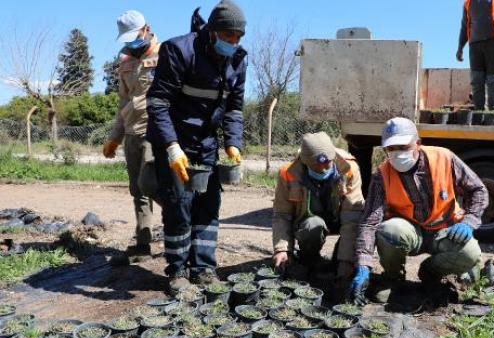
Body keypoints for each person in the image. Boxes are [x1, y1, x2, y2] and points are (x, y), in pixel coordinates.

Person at [146, 0, 247, 293]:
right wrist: (171, 146)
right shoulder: (179, 50)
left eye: (239, 37)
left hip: (206, 143)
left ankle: (203, 268)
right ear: (213, 31)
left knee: (208, 203)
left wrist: (233, 142)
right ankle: (177, 270)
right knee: (179, 204)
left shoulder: (238, 59)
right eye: (229, 37)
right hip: (175, 139)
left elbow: (234, 109)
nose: (234, 42)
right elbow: (158, 102)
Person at [350, 117, 489, 304]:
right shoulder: (381, 175)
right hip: (410, 232)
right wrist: (363, 266)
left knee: (470, 254)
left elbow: (478, 189)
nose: (397, 154)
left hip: (445, 229)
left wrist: (469, 221)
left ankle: (430, 273)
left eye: (403, 147)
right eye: (391, 148)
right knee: (388, 231)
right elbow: (369, 221)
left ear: (418, 143)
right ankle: (393, 278)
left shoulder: (444, 158)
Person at [103, 10, 161, 265]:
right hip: (131, 133)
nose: (131, 43)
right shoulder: (126, 62)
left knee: (154, 185)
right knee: (137, 190)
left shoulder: (166, 55)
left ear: (146, 28)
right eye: (126, 39)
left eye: (134, 36)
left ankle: (179, 237)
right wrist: (114, 137)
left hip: (156, 132)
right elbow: (123, 102)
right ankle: (143, 244)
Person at [271, 132, 365, 281]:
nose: (322, 169)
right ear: (305, 161)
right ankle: (310, 260)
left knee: (356, 228)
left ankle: (339, 258)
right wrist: (282, 249)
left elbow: (352, 216)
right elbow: (282, 214)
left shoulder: (349, 168)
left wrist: (346, 259)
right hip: (309, 222)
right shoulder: (288, 173)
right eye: (315, 165)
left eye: (326, 163)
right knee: (312, 227)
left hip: (339, 219)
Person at [456, 0, 494, 111]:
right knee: (476, 79)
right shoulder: (468, 3)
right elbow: (464, 27)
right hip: (475, 45)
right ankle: (479, 112)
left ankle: (493, 113)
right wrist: (460, 48)